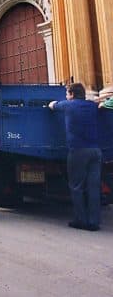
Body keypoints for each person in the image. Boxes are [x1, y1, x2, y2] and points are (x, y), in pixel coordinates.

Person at [49, 83, 102, 231]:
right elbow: (99, 104)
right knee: (93, 187)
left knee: (77, 186)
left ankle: (80, 220)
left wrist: (52, 103)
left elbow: (52, 105)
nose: (66, 95)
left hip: (78, 150)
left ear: (71, 94)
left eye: (67, 93)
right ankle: (94, 222)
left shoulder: (68, 105)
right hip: (95, 151)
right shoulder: (91, 106)